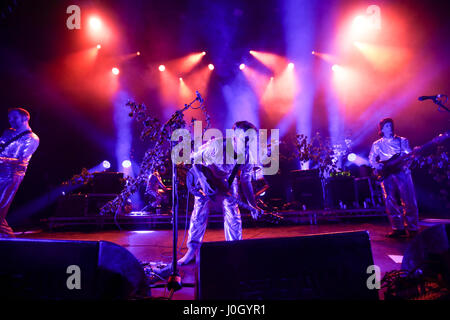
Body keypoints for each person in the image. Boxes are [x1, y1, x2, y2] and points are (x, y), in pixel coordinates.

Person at [178, 121, 262, 265]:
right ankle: (192, 250)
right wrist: (204, 182)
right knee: (199, 213)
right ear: (235, 136)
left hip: (227, 181)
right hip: (206, 179)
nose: (248, 142)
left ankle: (234, 248)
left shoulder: (247, 156)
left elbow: (246, 181)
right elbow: (194, 159)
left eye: (251, 138)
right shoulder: (217, 145)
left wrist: (253, 205)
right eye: (245, 138)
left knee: (233, 213)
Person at [368, 118, 419, 238]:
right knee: (390, 200)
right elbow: (371, 158)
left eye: (391, 125)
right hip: (386, 173)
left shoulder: (402, 141)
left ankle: (412, 227)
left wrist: (407, 163)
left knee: (408, 199)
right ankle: (397, 228)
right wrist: (377, 165)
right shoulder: (377, 144)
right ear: (382, 129)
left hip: (402, 171)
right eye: (386, 126)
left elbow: (410, 155)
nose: (389, 128)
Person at [0, 108, 39, 237]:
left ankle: (9, 239)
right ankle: (8, 238)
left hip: (11, 175)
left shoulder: (32, 138)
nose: (11, 120)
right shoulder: (7, 133)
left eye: (14, 118)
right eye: (9, 118)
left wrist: (1, 159)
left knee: (0, 209)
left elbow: (20, 161)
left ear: (25, 118)